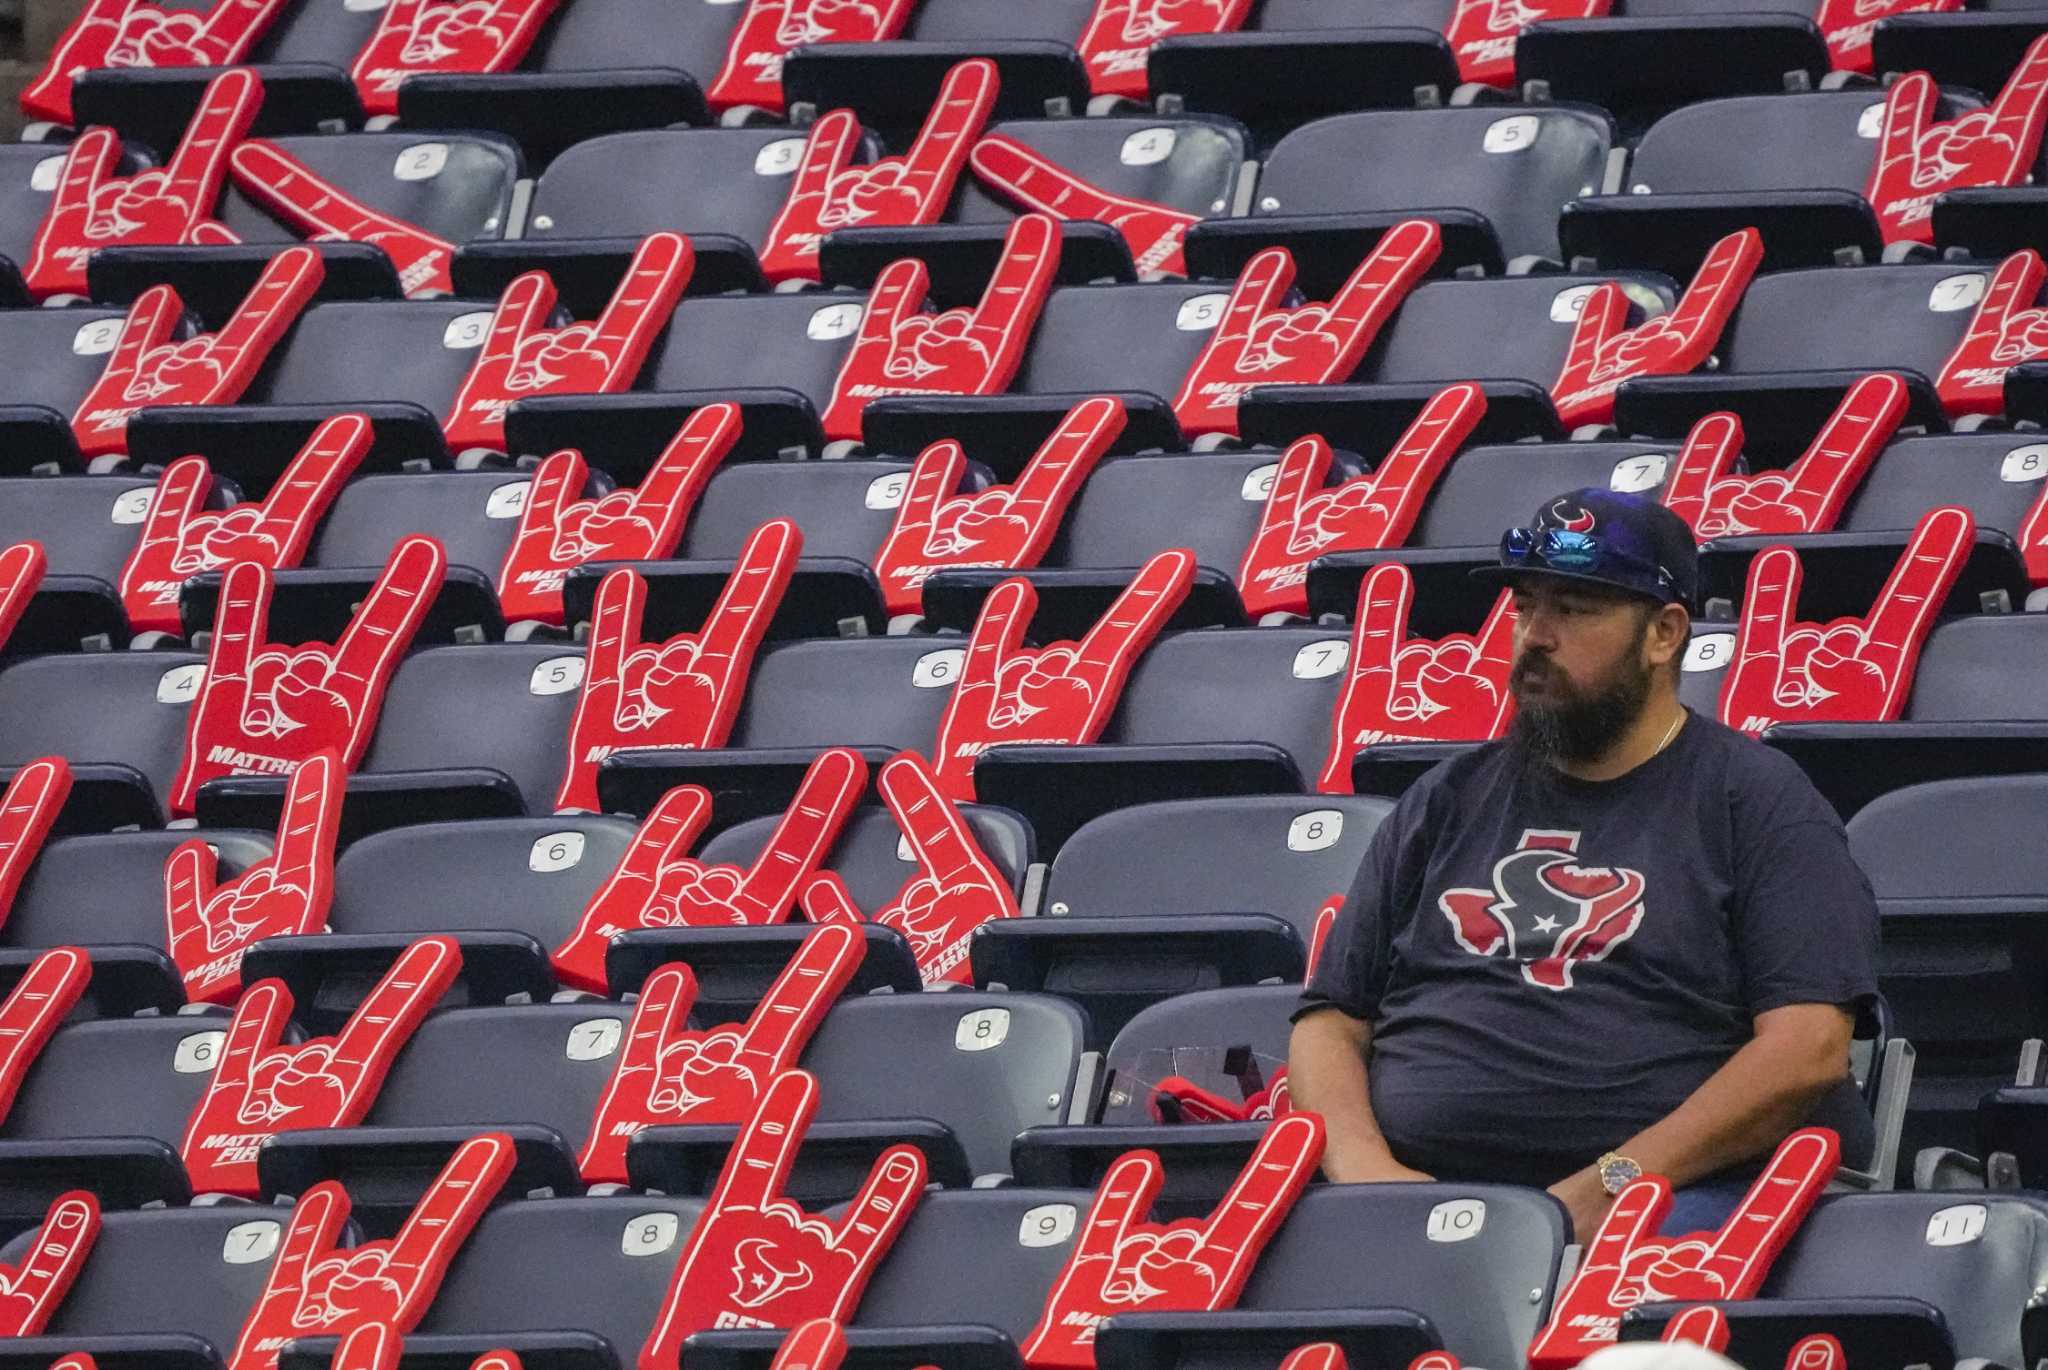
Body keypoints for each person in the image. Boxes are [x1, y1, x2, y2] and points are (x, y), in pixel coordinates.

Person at [1288, 488, 1879, 1242]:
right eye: (1525, 605)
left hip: (1669, 1200)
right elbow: (1331, 1021)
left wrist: (1610, 1186)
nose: (1535, 635)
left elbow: (1808, 1051)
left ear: (1664, 635)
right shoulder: (1446, 799)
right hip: (1417, 1196)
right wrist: (1364, 1170)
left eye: (1574, 609)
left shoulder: (1760, 803)